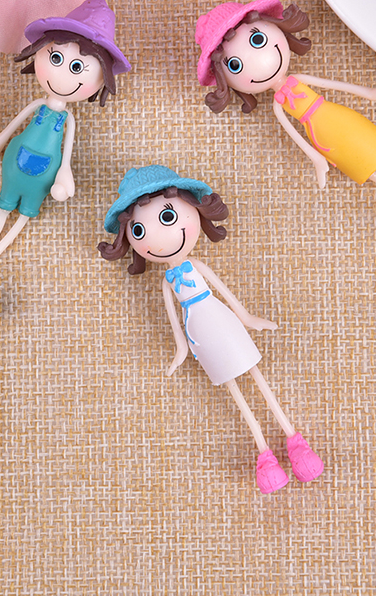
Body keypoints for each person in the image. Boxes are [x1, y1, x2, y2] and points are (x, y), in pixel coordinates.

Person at [195, 0, 376, 259]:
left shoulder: (299, 81)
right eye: (235, 65)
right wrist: (317, 159)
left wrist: (372, 93)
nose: (259, 61)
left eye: (257, 40)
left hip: (341, 120)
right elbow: (296, 135)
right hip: (325, 138)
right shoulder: (278, 105)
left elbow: (337, 87)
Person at [98, 165, 324, 493]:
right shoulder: (167, 282)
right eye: (139, 230)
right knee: (235, 390)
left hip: (221, 321)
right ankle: (264, 453)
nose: (158, 238)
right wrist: (181, 349)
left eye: (167, 217)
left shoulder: (197, 267)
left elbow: (226, 296)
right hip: (199, 335)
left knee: (257, 379)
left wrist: (248, 318)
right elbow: (174, 320)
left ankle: (295, 442)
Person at [0, 0, 131, 322]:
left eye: (77, 68)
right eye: (55, 57)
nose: (61, 73)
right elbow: (12, 128)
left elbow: (66, 153)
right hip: (14, 166)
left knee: (18, 223)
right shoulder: (37, 106)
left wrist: (64, 176)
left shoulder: (68, 120)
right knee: (0, 220)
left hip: (42, 180)